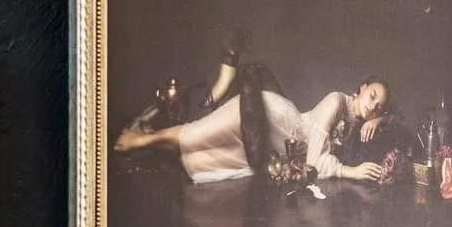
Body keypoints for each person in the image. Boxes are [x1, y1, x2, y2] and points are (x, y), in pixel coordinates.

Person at [115, 43, 393, 185]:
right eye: (372, 96)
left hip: (275, 148)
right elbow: (314, 161)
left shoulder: (360, 121)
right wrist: (350, 171)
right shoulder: (336, 101)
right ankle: (139, 140)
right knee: (197, 134)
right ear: (361, 88)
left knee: (203, 159)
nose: (373, 106)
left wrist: (381, 118)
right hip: (273, 118)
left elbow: (397, 118)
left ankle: (148, 145)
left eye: (379, 106)